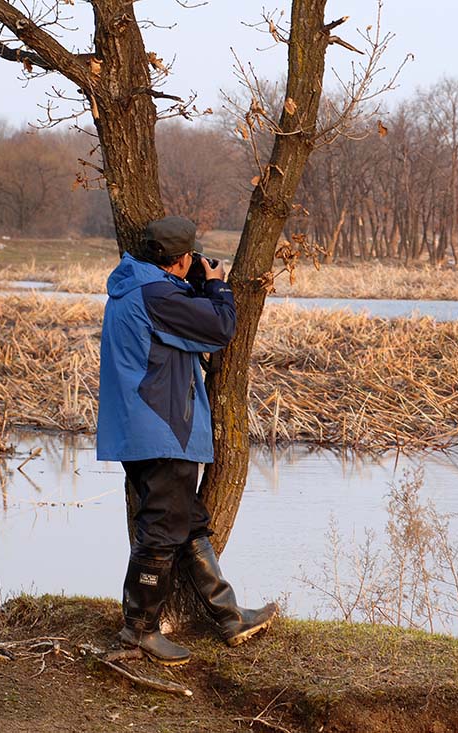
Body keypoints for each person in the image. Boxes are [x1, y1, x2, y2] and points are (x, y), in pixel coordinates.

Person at [96, 215, 276, 665]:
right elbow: (219, 328)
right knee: (161, 531)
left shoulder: (137, 286)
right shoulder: (155, 293)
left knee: (186, 521)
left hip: (142, 428)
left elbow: (179, 327)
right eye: (190, 256)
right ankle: (138, 631)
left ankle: (228, 614)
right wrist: (216, 286)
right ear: (179, 260)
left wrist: (192, 285)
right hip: (161, 428)